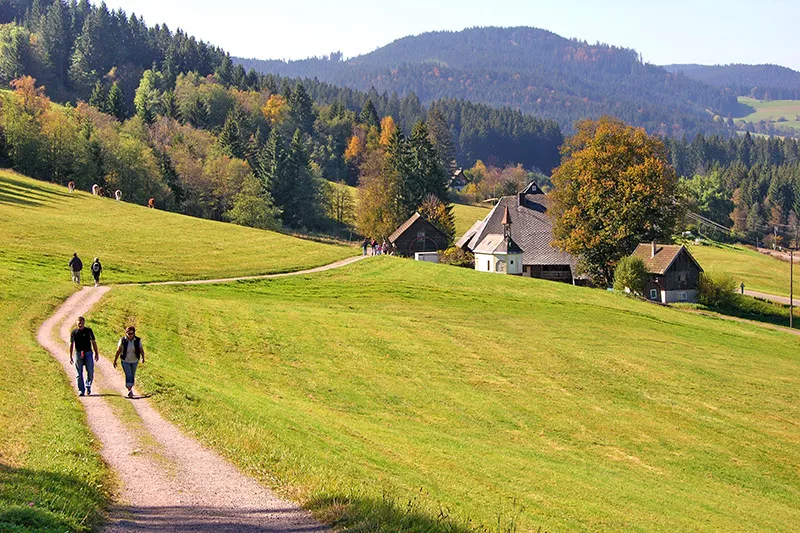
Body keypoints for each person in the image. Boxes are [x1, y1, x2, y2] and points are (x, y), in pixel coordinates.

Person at [69, 316, 98, 396]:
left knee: (90, 371)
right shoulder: (74, 332)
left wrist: (96, 353)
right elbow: (72, 344)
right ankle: (81, 390)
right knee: (79, 373)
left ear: (84, 323)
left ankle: (88, 385)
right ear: (76, 323)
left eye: (82, 323)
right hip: (78, 353)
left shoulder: (88, 331)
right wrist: (71, 356)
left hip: (88, 352)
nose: (80, 325)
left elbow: (93, 342)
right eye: (79, 323)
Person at [113, 326, 145, 398]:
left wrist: (143, 358)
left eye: (131, 333)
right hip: (125, 360)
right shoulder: (122, 340)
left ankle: (130, 387)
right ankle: (129, 390)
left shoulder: (137, 340)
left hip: (134, 360)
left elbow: (141, 349)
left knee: (132, 374)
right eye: (128, 333)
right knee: (128, 374)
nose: (130, 335)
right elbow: (118, 351)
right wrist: (115, 360)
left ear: (134, 333)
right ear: (126, 333)